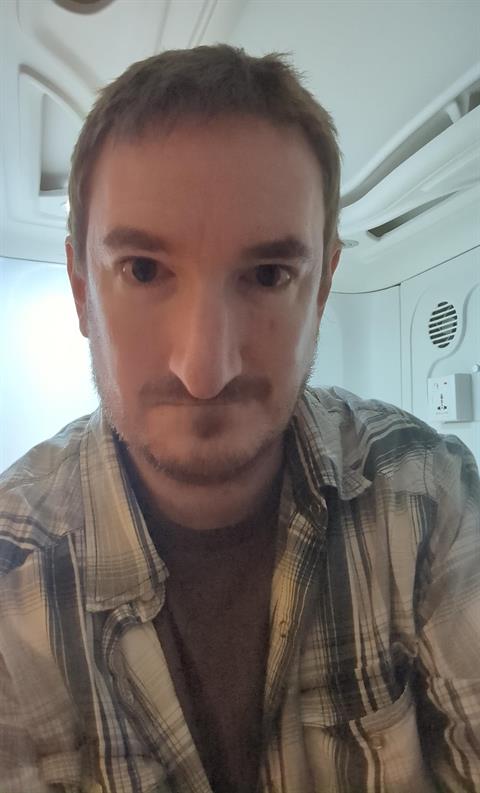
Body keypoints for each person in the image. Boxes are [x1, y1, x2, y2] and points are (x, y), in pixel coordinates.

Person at [0, 45, 479, 793]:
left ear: (321, 289)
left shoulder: (430, 495)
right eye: (144, 270)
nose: (205, 371)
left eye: (267, 275)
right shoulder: (10, 572)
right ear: (80, 289)